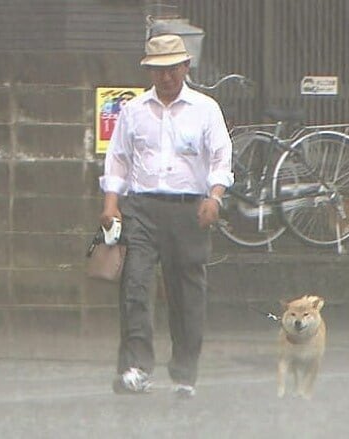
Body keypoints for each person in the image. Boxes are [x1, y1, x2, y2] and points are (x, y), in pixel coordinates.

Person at [98, 34, 233, 398]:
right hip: (141, 207)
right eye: (158, 70)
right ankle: (137, 367)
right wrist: (111, 202)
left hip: (189, 209)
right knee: (135, 288)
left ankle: (185, 371)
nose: (166, 77)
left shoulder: (206, 109)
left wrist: (215, 197)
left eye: (172, 69)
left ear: (186, 67)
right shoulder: (134, 110)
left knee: (187, 292)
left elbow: (221, 157)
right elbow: (119, 157)